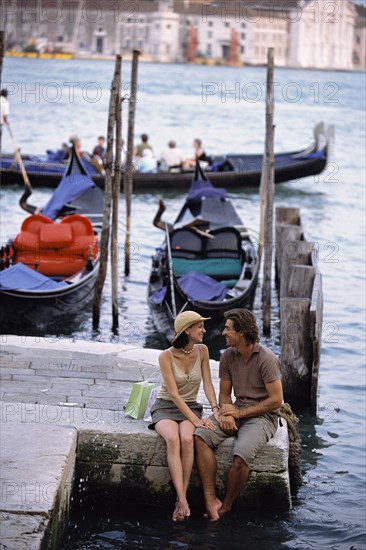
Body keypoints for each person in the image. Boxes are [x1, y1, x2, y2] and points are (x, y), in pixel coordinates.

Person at [194, 308, 283, 520]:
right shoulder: (227, 357)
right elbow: (225, 395)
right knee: (201, 435)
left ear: (242, 333)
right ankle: (210, 498)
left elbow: (276, 400)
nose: (223, 333)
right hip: (237, 410)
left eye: (228, 329)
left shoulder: (266, 359)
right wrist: (228, 414)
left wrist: (240, 412)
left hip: (263, 416)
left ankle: (226, 506)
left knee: (241, 455)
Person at [149, 311, 220, 522]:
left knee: (187, 439)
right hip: (165, 407)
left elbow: (207, 383)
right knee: (173, 439)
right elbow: (173, 394)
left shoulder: (203, 350)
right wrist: (196, 420)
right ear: (187, 330)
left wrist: (215, 409)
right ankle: (180, 499)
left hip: (191, 406)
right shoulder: (165, 356)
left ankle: (184, 496)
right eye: (199, 326)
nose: (204, 330)